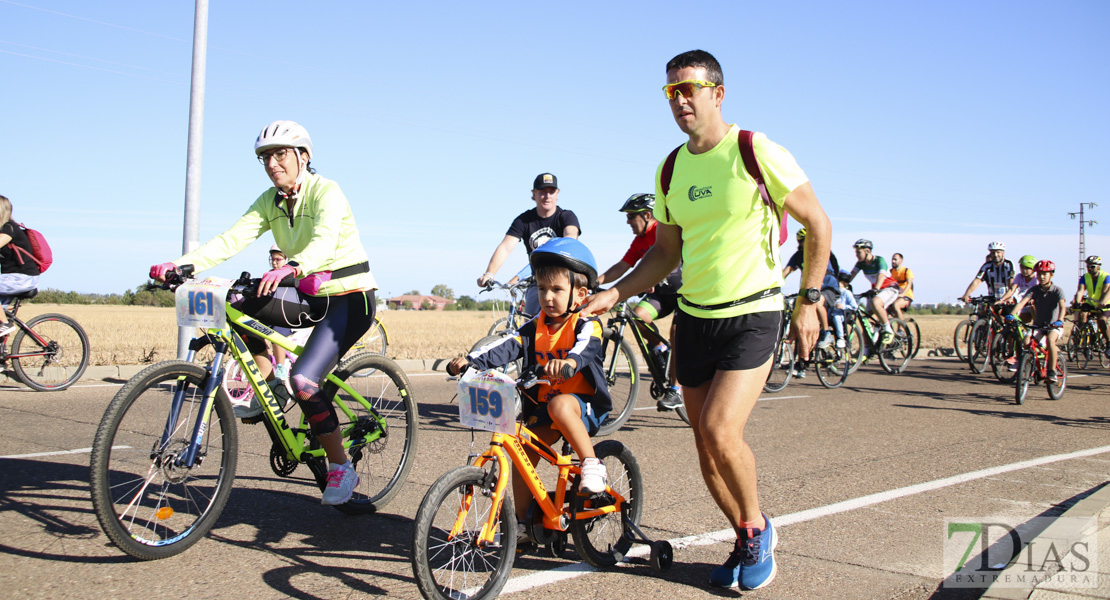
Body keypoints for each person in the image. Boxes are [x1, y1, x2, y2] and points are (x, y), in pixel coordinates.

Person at [582, 49, 831, 591]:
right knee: (703, 441)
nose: (680, 100)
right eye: (671, 92)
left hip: (754, 312)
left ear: (718, 93)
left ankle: (756, 528)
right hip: (695, 318)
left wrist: (809, 298)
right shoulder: (670, 167)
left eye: (690, 88)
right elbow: (665, 254)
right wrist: (615, 292)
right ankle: (746, 530)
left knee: (721, 430)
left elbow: (817, 221)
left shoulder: (754, 149)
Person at [149, 120, 378, 506]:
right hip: (307, 292)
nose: (272, 163)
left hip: (349, 296)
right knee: (235, 301)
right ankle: (268, 380)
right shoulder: (269, 201)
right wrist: (182, 265)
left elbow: (324, 238)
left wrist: (293, 266)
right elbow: (231, 239)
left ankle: (341, 467)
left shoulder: (327, 192)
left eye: (280, 154)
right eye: (265, 157)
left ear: (303, 157)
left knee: (305, 380)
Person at [447, 238, 610, 539]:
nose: (548, 297)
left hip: (581, 406)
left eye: (557, 290)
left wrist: (570, 362)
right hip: (546, 409)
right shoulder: (535, 326)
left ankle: (592, 464)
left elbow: (587, 349)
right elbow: (508, 345)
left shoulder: (587, 325)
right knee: (522, 453)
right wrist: (471, 361)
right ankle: (524, 525)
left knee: (560, 405)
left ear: (581, 294)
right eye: (542, 289)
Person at [596, 193, 684, 410]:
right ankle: (661, 348)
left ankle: (676, 390)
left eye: (630, 216)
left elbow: (673, 257)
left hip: (684, 292)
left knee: (678, 332)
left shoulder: (663, 232)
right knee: (637, 316)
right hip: (661, 295)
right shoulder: (639, 241)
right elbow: (623, 265)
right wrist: (595, 281)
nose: (627, 221)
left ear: (647, 215)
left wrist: (652, 277)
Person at [476, 173, 581, 317]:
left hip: (564, 280)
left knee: (564, 323)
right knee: (529, 324)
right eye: (542, 192)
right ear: (534, 194)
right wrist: (489, 273)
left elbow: (570, 237)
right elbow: (506, 247)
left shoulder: (566, 216)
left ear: (557, 194)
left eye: (551, 191)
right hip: (538, 280)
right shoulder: (524, 220)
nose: (547, 196)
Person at [782, 227, 840, 350]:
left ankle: (826, 332)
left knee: (817, 302)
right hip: (811, 291)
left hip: (829, 287)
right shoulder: (798, 256)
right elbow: (786, 271)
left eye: (805, 240)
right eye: (801, 241)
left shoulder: (821, 251)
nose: (803, 243)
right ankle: (801, 362)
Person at [1010, 260, 1067, 383]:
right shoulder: (1034, 290)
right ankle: (1033, 366)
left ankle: (1051, 372)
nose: (1041, 277)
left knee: (1050, 340)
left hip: (1054, 325)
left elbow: (1062, 307)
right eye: (1039, 274)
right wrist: (1012, 314)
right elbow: (1022, 303)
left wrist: (1060, 320)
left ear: (1051, 274)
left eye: (1044, 274)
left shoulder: (1057, 290)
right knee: (1026, 342)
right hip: (1038, 325)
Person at [0, 196, 42, 336]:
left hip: (24, 277)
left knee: (2, 322)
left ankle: (5, 324)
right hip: (12, 277)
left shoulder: (10, 228)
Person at [845, 240, 898, 345]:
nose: (856, 255)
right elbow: (851, 276)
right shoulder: (860, 264)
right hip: (876, 291)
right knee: (865, 321)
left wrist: (876, 288)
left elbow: (881, 276)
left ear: (867, 251)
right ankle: (867, 350)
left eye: (858, 252)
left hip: (889, 288)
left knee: (875, 303)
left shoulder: (879, 260)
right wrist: (841, 285)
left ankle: (888, 330)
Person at [1072, 255, 1109, 354]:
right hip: (1091, 303)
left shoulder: (1106, 276)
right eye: (1088, 266)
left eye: (1092, 266)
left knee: (1101, 320)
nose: (1089, 269)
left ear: (1098, 266)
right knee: (1082, 314)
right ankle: (1083, 340)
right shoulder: (1085, 277)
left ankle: (1109, 343)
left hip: (1104, 304)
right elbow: (1080, 291)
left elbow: (1106, 291)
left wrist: (1102, 303)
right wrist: (1077, 302)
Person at [267, 244, 293, 381]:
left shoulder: (291, 275)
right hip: (272, 311)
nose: (274, 262)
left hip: (286, 314)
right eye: (272, 259)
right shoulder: (270, 274)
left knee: (277, 332)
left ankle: (280, 367)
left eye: (278, 259)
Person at [996, 255, 1038, 323]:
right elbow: (1012, 289)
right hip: (1020, 302)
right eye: (1022, 268)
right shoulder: (1019, 276)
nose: (1024, 270)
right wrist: (1002, 299)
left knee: (1033, 312)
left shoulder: (1036, 279)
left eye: (1027, 268)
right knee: (1014, 322)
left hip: (1031, 302)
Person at [831, 270, 859, 350]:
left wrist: (843, 306)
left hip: (842, 314)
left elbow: (854, 307)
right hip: (832, 313)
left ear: (844, 283)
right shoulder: (833, 292)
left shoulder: (847, 293)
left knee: (837, 317)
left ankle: (841, 338)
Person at [888, 252, 914, 321]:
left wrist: (902, 294)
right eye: (892, 259)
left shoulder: (906, 271)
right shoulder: (890, 272)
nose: (893, 261)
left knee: (896, 305)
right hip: (894, 294)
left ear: (901, 261)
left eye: (895, 259)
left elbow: (909, 284)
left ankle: (901, 328)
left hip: (906, 295)